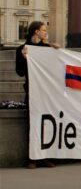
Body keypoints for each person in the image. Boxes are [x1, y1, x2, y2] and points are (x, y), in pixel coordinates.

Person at [15, 21, 59, 168]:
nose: (45, 32)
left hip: (46, 92)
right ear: (36, 32)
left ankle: (45, 156)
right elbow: (20, 72)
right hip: (32, 91)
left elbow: (54, 67)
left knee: (47, 123)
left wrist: (57, 51)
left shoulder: (46, 48)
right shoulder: (22, 49)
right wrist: (23, 57)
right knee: (32, 124)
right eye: (43, 30)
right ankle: (33, 158)